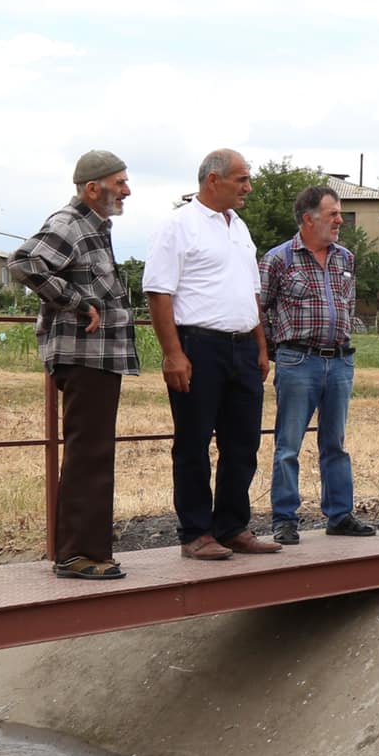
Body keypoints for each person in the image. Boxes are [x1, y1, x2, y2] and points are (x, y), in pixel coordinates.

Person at [8, 150, 139, 580]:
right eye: (119, 183)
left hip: (98, 356)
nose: (127, 190)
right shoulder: (70, 223)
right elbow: (24, 262)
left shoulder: (95, 227)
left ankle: (89, 551)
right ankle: (77, 555)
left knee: (93, 453)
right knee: (88, 454)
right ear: (93, 188)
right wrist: (77, 303)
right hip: (83, 355)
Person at [146, 149, 280, 562]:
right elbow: (159, 292)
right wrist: (173, 353)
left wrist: (261, 346)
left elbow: (251, 292)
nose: (248, 187)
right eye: (241, 179)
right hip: (199, 346)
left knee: (243, 442)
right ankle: (196, 532)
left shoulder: (238, 226)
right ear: (213, 180)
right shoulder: (178, 225)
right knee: (194, 441)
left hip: (243, 348)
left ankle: (232, 526)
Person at [261, 184, 375, 546]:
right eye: (333, 214)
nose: (340, 220)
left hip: (339, 361)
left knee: (335, 443)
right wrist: (270, 351)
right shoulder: (279, 259)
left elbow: (348, 305)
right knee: (289, 444)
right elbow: (259, 310)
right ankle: (284, 519)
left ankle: (340, 515)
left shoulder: (346, 259)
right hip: (298, 360)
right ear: (309, 219)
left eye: (340, 214)